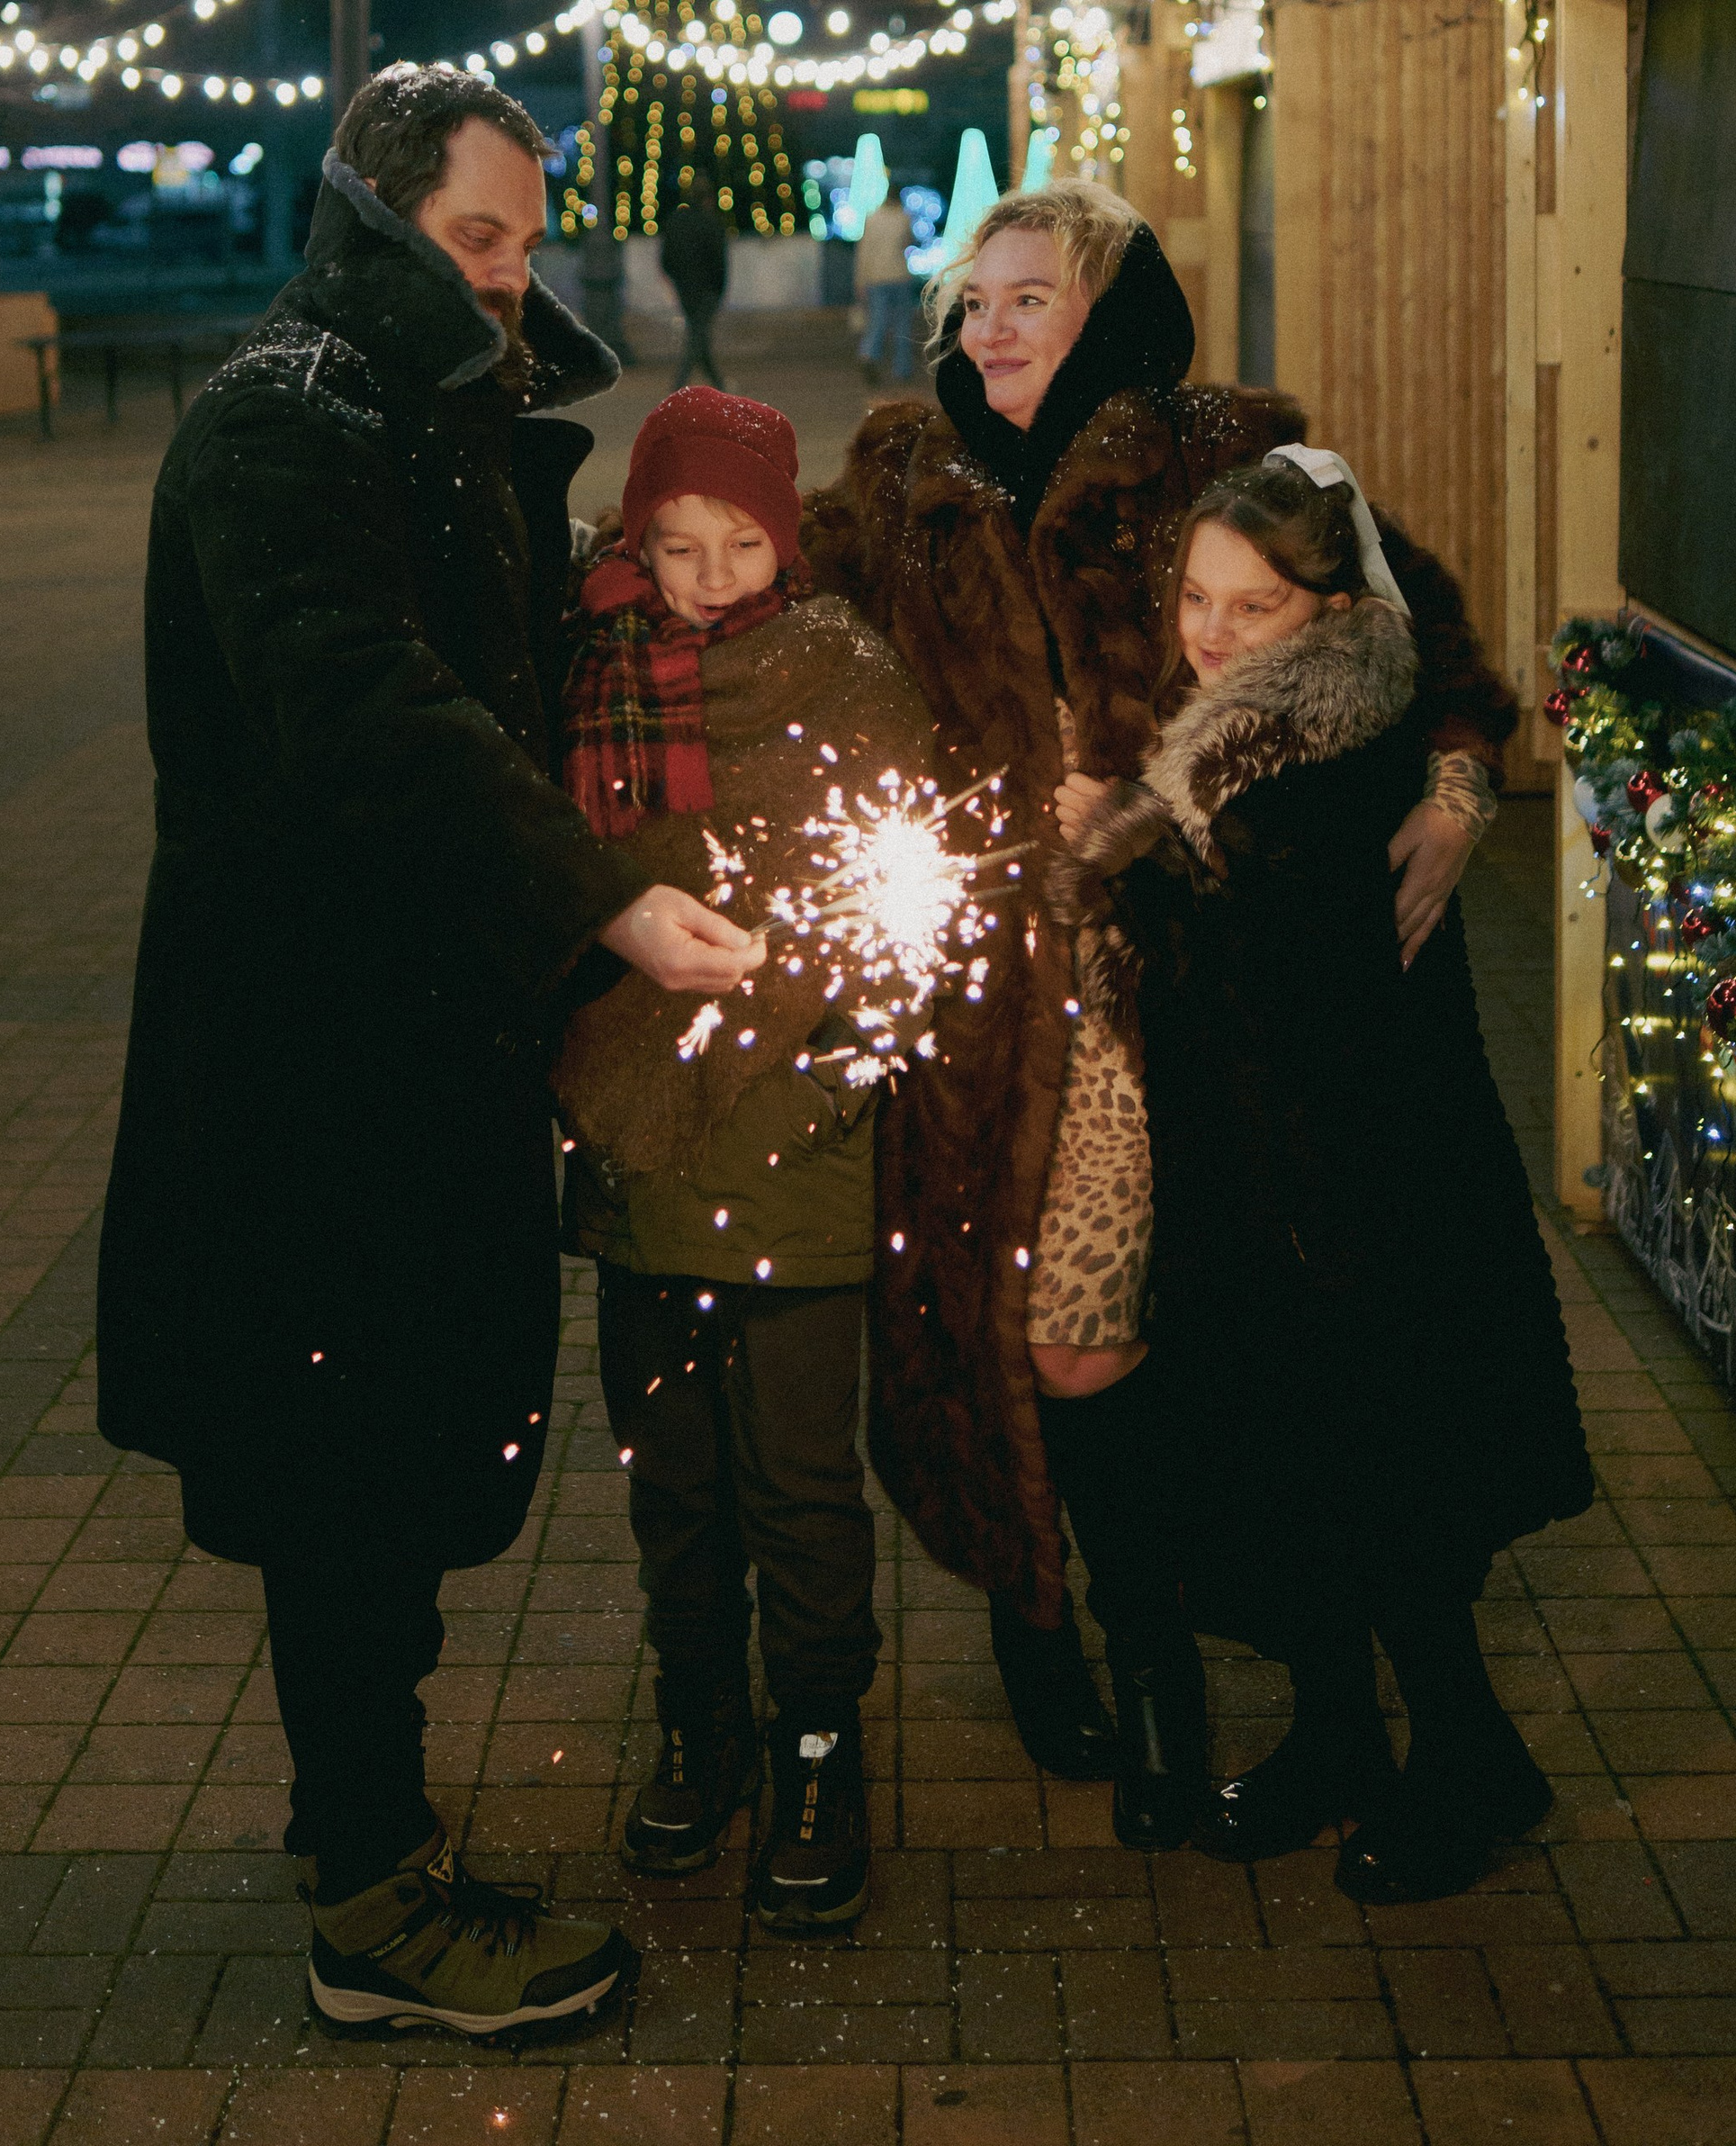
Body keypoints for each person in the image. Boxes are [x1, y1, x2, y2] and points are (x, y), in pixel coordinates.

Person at [94, 64, 762, 2041]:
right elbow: (369, 710)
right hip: (309, 1057)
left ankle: (364, 1841)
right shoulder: (283, 422)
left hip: (404, 1039)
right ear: (376, 217)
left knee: (381, 1459)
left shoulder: (417, 417)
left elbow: (488, 676)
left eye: (524, 246)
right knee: (341, 1467)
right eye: (477, 240)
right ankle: (372, 1908)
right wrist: (609, 902)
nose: (506, 281)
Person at [801, 181, 1511, 1815]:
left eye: (1028, 297)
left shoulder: (1218, 461)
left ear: (1112, 307)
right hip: (976, 999)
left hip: (1178, 988)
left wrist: (1463, 784)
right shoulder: (898, 489)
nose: (987, 328)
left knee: (1147, 1331)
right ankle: (1050, 1631)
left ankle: (1170, 1643)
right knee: (995, 1333)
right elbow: (776, 636)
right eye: (972, 301)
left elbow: (1419, 628)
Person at [1053, 453, 1594, 1900]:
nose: (1214, 631)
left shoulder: (1327, 756)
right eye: (1197, 598)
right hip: (1280, 1194)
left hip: (1365, 1204)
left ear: (1335, 604)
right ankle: (1343, 1736)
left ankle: (1472, 1756)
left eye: (1257, 604)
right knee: (1302, 1476)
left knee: (1388, 1495)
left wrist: (1116, 862)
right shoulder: (1237, 737)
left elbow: (1289, 979)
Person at [555, 386, 937, 1929]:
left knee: (795, 1474)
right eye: (672, 543)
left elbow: (914, 891)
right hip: (636, 1137)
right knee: (674, 1478)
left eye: (735, 543)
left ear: (782, 538)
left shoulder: (845, 666)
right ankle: (701, 1724)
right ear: (634, 536)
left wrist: (825, 1054)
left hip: (796, 1133)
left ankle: (821, 1745)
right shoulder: (591, 672)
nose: (705, 575)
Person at [660, 173, 729, 389]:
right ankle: (679, 385)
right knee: (698, 337)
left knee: (698, 334)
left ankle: (718, 384)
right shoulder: (712, 223)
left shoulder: (676, 222)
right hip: (707, 289)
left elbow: (666, 259)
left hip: (685, 288)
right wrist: (718, 289)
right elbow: (720, 262)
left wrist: (678, 281)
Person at [853, 188, 918, 387]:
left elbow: (863, 252)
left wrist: (860, 280)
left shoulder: (871, 219)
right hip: (899, 275)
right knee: (902, 323)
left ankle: (868, 354)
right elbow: (909, 242)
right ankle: (902, 367)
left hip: (875, 277)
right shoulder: (904, 218)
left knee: (877, 319)